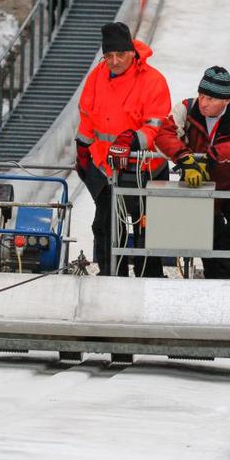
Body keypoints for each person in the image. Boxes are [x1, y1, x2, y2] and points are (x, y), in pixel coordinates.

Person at [76, 22, 171, 276]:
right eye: (108, 56)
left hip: (146, 170)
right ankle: (110, 278)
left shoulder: (153, 81)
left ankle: (148, 280)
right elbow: (87, 116)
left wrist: (131, 140)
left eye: (120, 55)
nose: (114, 61)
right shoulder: (96, 77)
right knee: (105, 228)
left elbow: (156, 126)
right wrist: (82, 148)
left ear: (131, 51)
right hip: (108, 169)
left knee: (147, 234)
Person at [154, 66, 230, 279]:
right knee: (208, 235)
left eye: (211, 99)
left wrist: (213, 155)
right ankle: (214, 279)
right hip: (199, 187)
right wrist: (185, 159)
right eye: (201, 95)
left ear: (226, 100)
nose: (203, 102)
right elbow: (163, 136)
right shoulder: (185, 108)